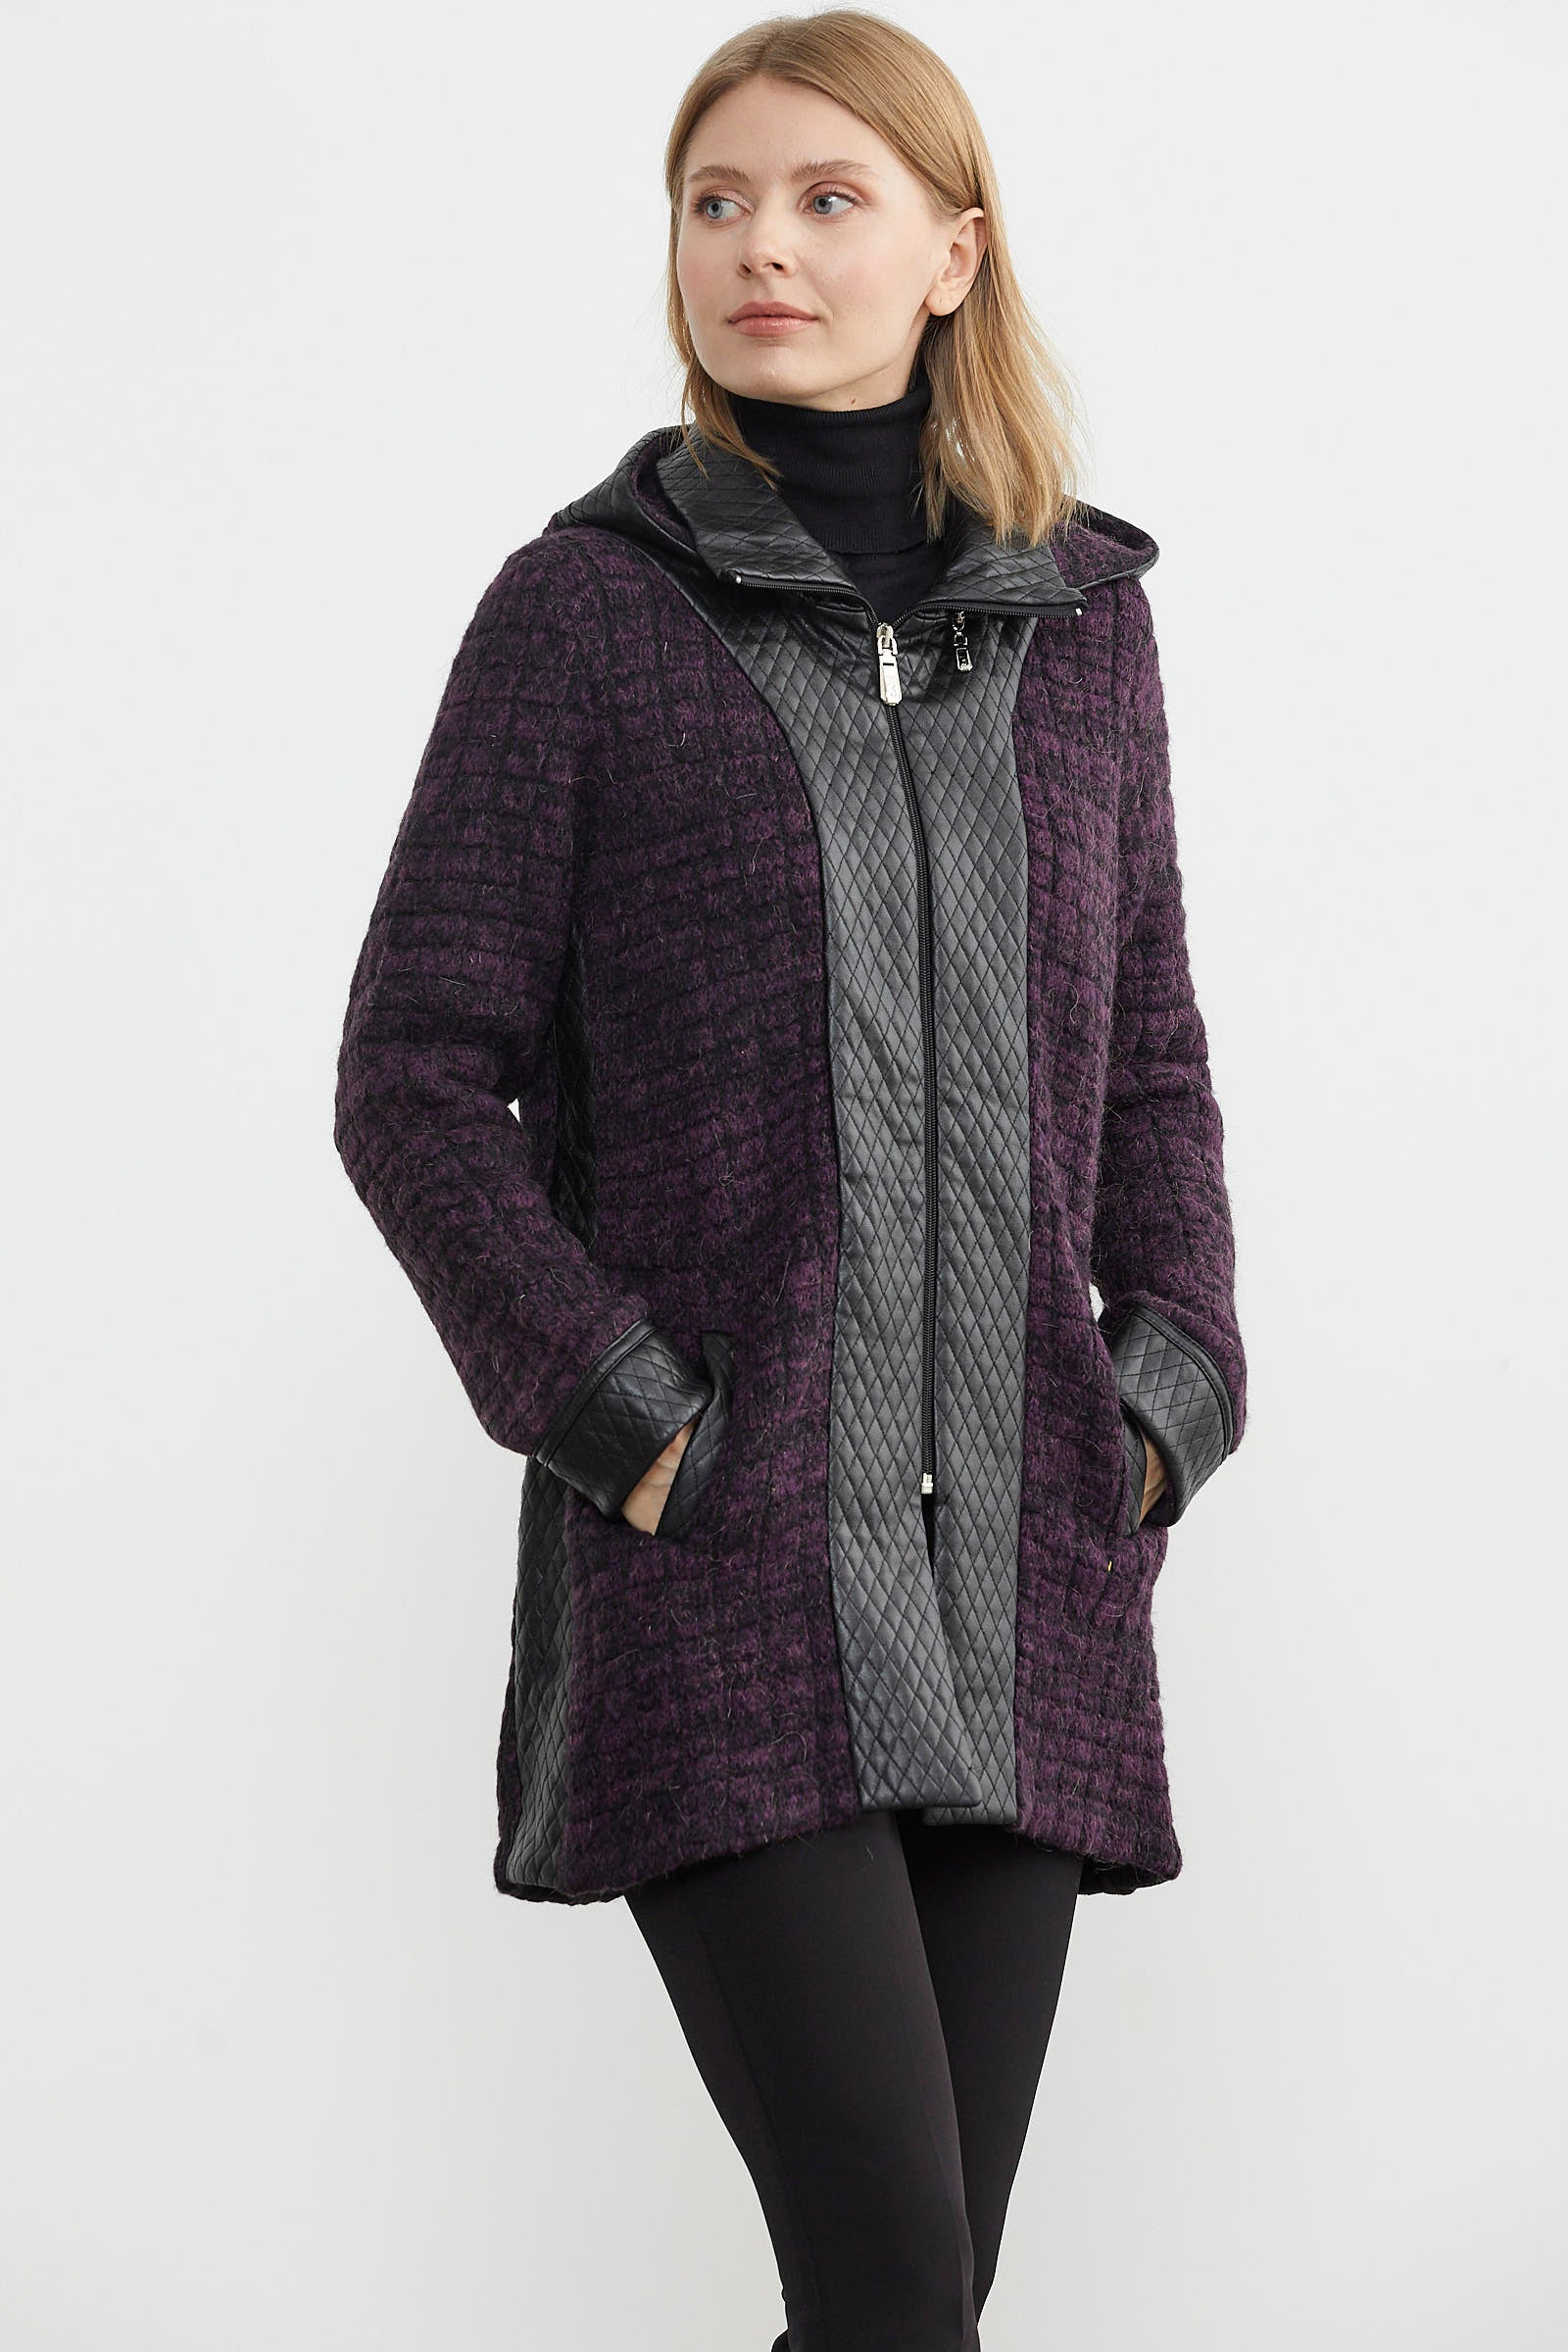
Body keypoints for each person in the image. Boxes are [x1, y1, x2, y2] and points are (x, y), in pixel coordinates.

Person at [332, 12, 1248, 2348]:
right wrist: (626, 1419)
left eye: (828, 199)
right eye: (716, 200)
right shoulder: (584, 615)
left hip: (1027, 1579)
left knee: (906, 2306)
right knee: (891, 2287)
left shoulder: (1081, 631)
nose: (759, 245)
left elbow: (1149, 1061)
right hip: (733, 1571)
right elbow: (413, 1074)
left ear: (953, 251)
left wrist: (1164, 1399)